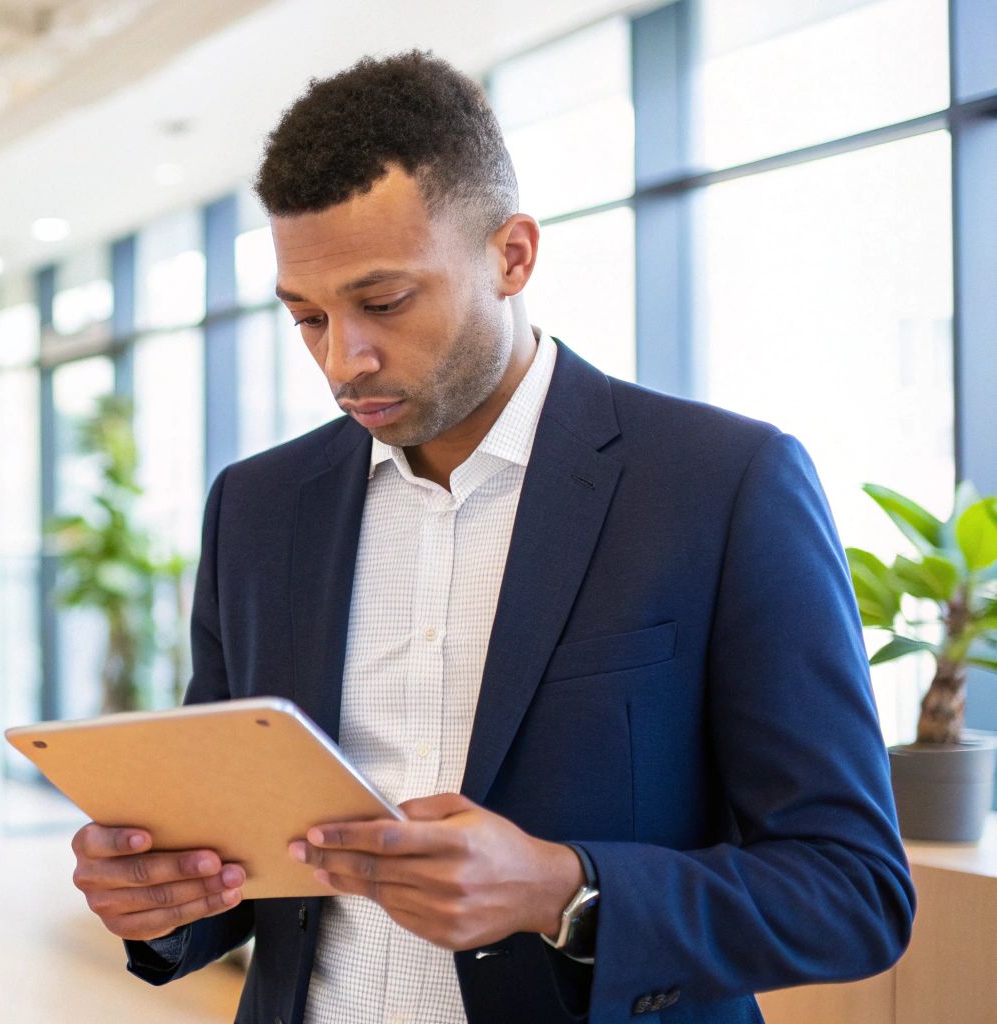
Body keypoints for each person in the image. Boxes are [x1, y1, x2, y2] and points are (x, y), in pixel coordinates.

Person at [67, 52, 914, 1023]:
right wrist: (163, 900)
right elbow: (241, 854)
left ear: (511, 256)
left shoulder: (721, 484)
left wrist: (562, 889)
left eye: (382, 302)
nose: (344, 360)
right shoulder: (257, 507)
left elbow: (851, 893)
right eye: (307, 317)